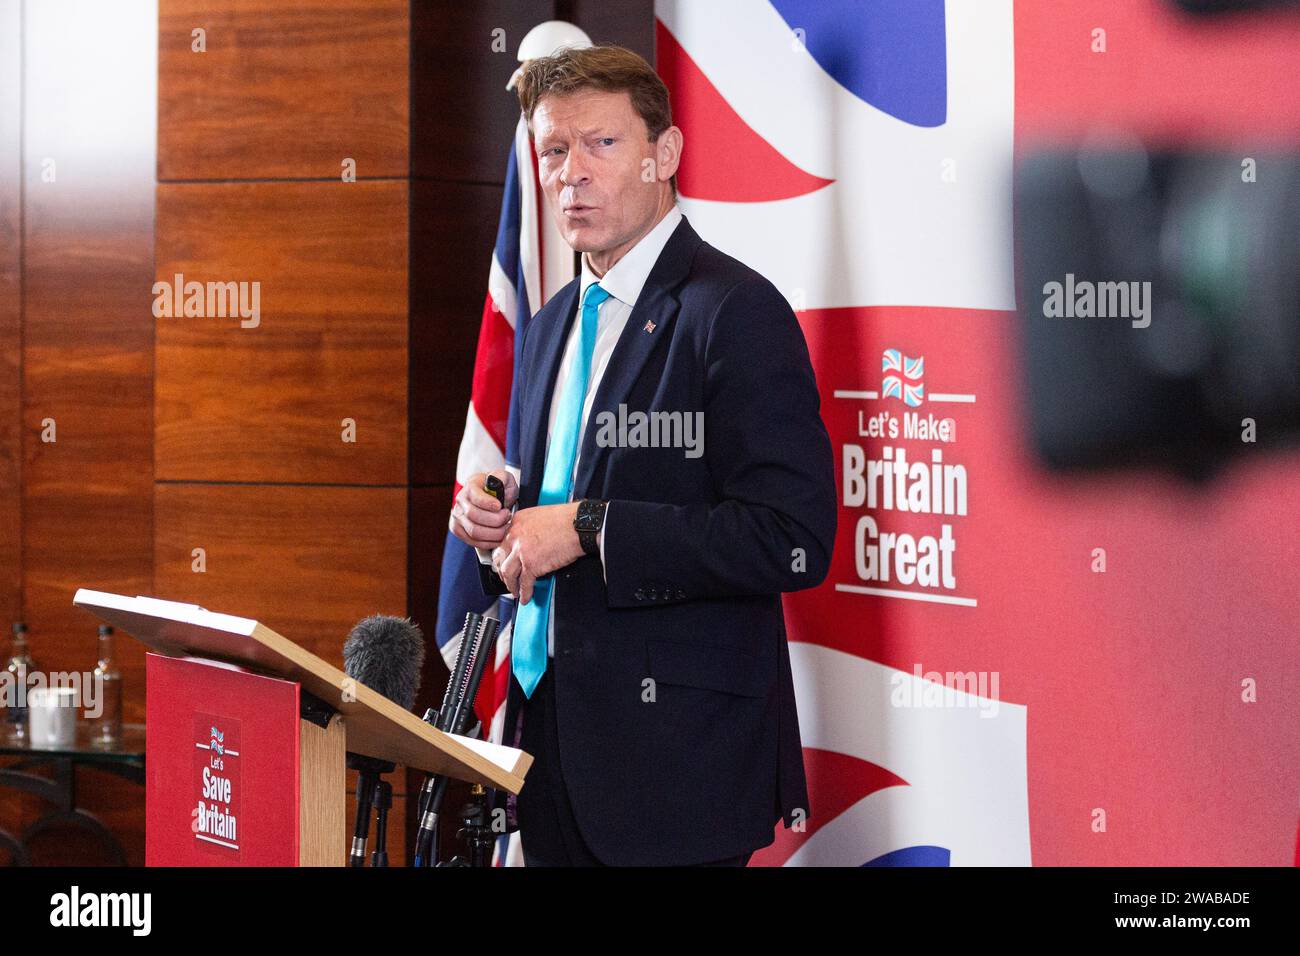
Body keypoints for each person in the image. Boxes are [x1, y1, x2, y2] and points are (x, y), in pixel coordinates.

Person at [449, 44, 836, 866]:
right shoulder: (551, 324)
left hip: (673, 768)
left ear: (665, 155)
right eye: (554, 150)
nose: (571, 174)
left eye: (602, 144)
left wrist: (591, 526)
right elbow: (544, 515)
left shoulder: (734, 311)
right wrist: (499, 530)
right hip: (545, 749)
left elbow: (791, 536)